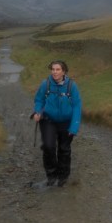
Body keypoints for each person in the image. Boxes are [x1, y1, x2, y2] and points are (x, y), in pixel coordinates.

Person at [32, 59, 82, 187]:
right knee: (48, 147)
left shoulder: (72, 86)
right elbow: (39, 100)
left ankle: (63, 176)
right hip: (48, 121)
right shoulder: (46, 84)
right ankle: (52, 175)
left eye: (58, 69)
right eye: (53, 69)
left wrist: (74, 127)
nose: (54, 72)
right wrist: (38, 111)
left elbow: (77, 106)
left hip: (66, 122)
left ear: (63, 71)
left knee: (64, 149)